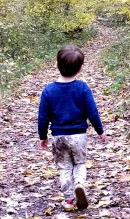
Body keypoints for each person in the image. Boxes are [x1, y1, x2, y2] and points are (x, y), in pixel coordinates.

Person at [38, 45, 105, 210]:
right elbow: (92, 112)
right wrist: (100, 130)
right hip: (78, 136)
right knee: (80, 164)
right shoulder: (82, 88)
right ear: (81, 68)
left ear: (56, 65)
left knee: (64, 167)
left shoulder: (49, 90)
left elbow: (43, 116)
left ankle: (68, 200)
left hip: (58, 137)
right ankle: (80, 184)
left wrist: (43, 136)